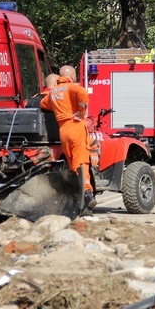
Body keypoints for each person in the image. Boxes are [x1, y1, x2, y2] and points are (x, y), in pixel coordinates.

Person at [40, 65, 96, 210]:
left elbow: (43, 104)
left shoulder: (53, 93)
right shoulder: (72, 87)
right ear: (72, 76)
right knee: (81, 162)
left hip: (63, 131)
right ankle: (87, 194)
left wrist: (59, 105)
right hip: (75, 127)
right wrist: (81, 111)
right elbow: (83, 92)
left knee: (72, 164)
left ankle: (77, 198)